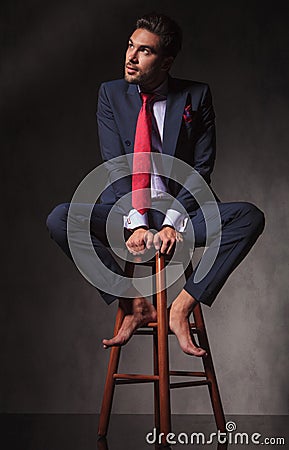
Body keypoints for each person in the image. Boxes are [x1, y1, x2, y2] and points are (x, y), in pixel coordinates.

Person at [46, 12, 265, 357]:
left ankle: (181, 308)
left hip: (182, 216)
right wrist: (135, 222)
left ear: (166, 63)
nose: (131, 57)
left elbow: (200, 169)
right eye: (130, 46)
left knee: (249, 217)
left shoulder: (197, 96)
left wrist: (169, 222)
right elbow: (115, 166)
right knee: (60, 218)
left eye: (144, 51)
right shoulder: (111, 94)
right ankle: (134, 304)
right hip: (126, 212)